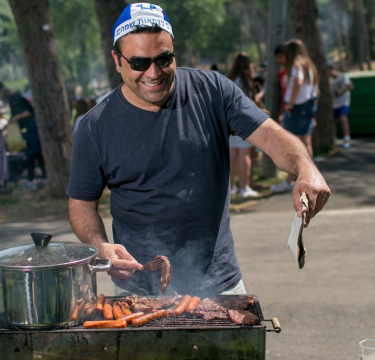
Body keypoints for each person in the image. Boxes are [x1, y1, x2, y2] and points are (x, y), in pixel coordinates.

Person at [67, 3, 330, 297]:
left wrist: (305, 167)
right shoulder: (95, 125)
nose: (153, 73)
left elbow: (270, 135)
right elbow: (81, 204)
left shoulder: (213, 90)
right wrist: (102, 246)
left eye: (164, 58)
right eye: (139, 62)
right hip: (139, 291)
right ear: (117, 60)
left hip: (220, 282)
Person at [270, 39, 319, 194]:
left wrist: (290, 104)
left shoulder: (296, 65)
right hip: (308, 104)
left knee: (294, 146)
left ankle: (289, 181)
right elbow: (315, 87)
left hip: (298, 107)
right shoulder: (308, 65)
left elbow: (297, 83)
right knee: (305, 142)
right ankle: (310, 177)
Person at [0, 81, 46, 187]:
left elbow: (27, 112)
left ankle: (32, 179)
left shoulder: (13, 97)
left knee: (31, 153)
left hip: (32, 126)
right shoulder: (14, 97)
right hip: (31, 126)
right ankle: (42, 177)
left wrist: (13, 119)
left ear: (0, 91)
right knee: (36, 153)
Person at [227, 53, 260, 198]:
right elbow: (248, 101)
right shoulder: (246, 80)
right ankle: (244, 187)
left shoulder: (230, 79)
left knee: (232, 155)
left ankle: (230, 187)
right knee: (244, 155)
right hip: (244, 121)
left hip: (229, 121)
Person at [328, 64, 354, 149]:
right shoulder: (328, 80)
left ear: (334, 69)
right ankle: (333, 140)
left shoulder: (343, 76)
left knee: (343, 119)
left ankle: (347, 139)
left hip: (344, 102)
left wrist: (342, 90)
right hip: (334, 104)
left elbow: (351, 86)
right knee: (333, 122)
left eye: (331, 70)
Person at [274, 45, 288, 119]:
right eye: (277, 58)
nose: (278, 60)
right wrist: (281, 112)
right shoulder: (281, 73)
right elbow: (283, 94)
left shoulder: (295, 73)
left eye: (281, 56)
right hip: (286, 110)